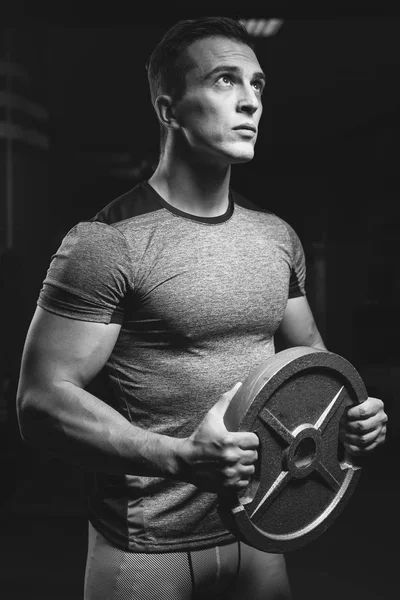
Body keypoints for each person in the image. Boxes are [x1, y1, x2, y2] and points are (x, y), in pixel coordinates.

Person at [16, 16, 387, 600]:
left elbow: (308, 357)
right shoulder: (107, 242)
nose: (249, 102)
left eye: (258, 84)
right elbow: (39, 400)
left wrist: (349, 415)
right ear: (169, 110)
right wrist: (183, 458)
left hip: (262, 529)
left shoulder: (276, 237)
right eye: (223, 81)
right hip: (146, 548)